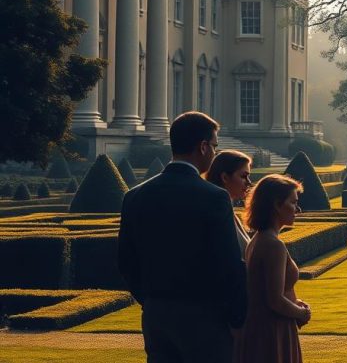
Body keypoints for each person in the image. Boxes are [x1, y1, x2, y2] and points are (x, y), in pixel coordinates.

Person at [117, 112, 246, 363]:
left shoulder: (135, 196)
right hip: (205, 316)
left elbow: (126, 261)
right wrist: (237, 318)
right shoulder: (214, 197)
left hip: (157, 315)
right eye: (215, 146)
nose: (215, 153)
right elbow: (229, 265)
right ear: (203, 146)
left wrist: (151, 301)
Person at [235, 174, 311, 363]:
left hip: (265, 326)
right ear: (277, 205)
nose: (297, 209)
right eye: (293, 203)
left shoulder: (259, 240)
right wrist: (302, 313)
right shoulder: (272, 245)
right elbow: (275, 300)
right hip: (274, 329)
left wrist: (295, 304)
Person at [206, 150, 254, 255]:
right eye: (243, 176)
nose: (249, 182)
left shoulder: (227, 211)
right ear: (225, 177)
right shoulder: (217, 213)